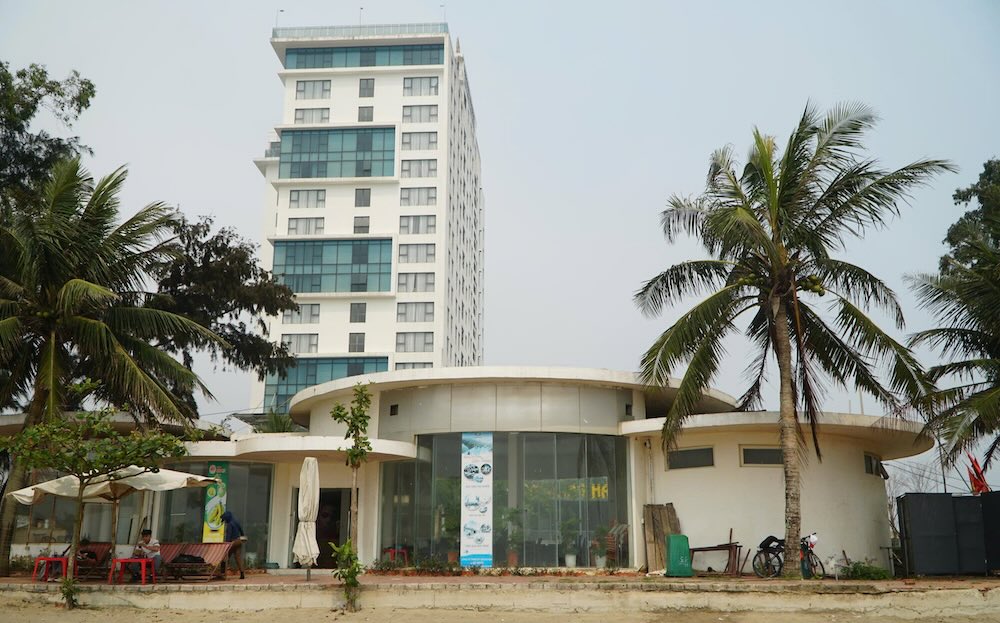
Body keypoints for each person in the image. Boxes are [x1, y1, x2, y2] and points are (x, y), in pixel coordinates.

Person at [221, 510, 247, 579]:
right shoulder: (236, 522)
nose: (225, 522)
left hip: (233, 542)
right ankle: (242, 574)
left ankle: (222, 573)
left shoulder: (230, 524)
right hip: (239, 541)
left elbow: (228, 535)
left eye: (225, 520)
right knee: (238, 557)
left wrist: (227, 544)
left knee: (225, 557)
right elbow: (241, 531)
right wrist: (242, 536)